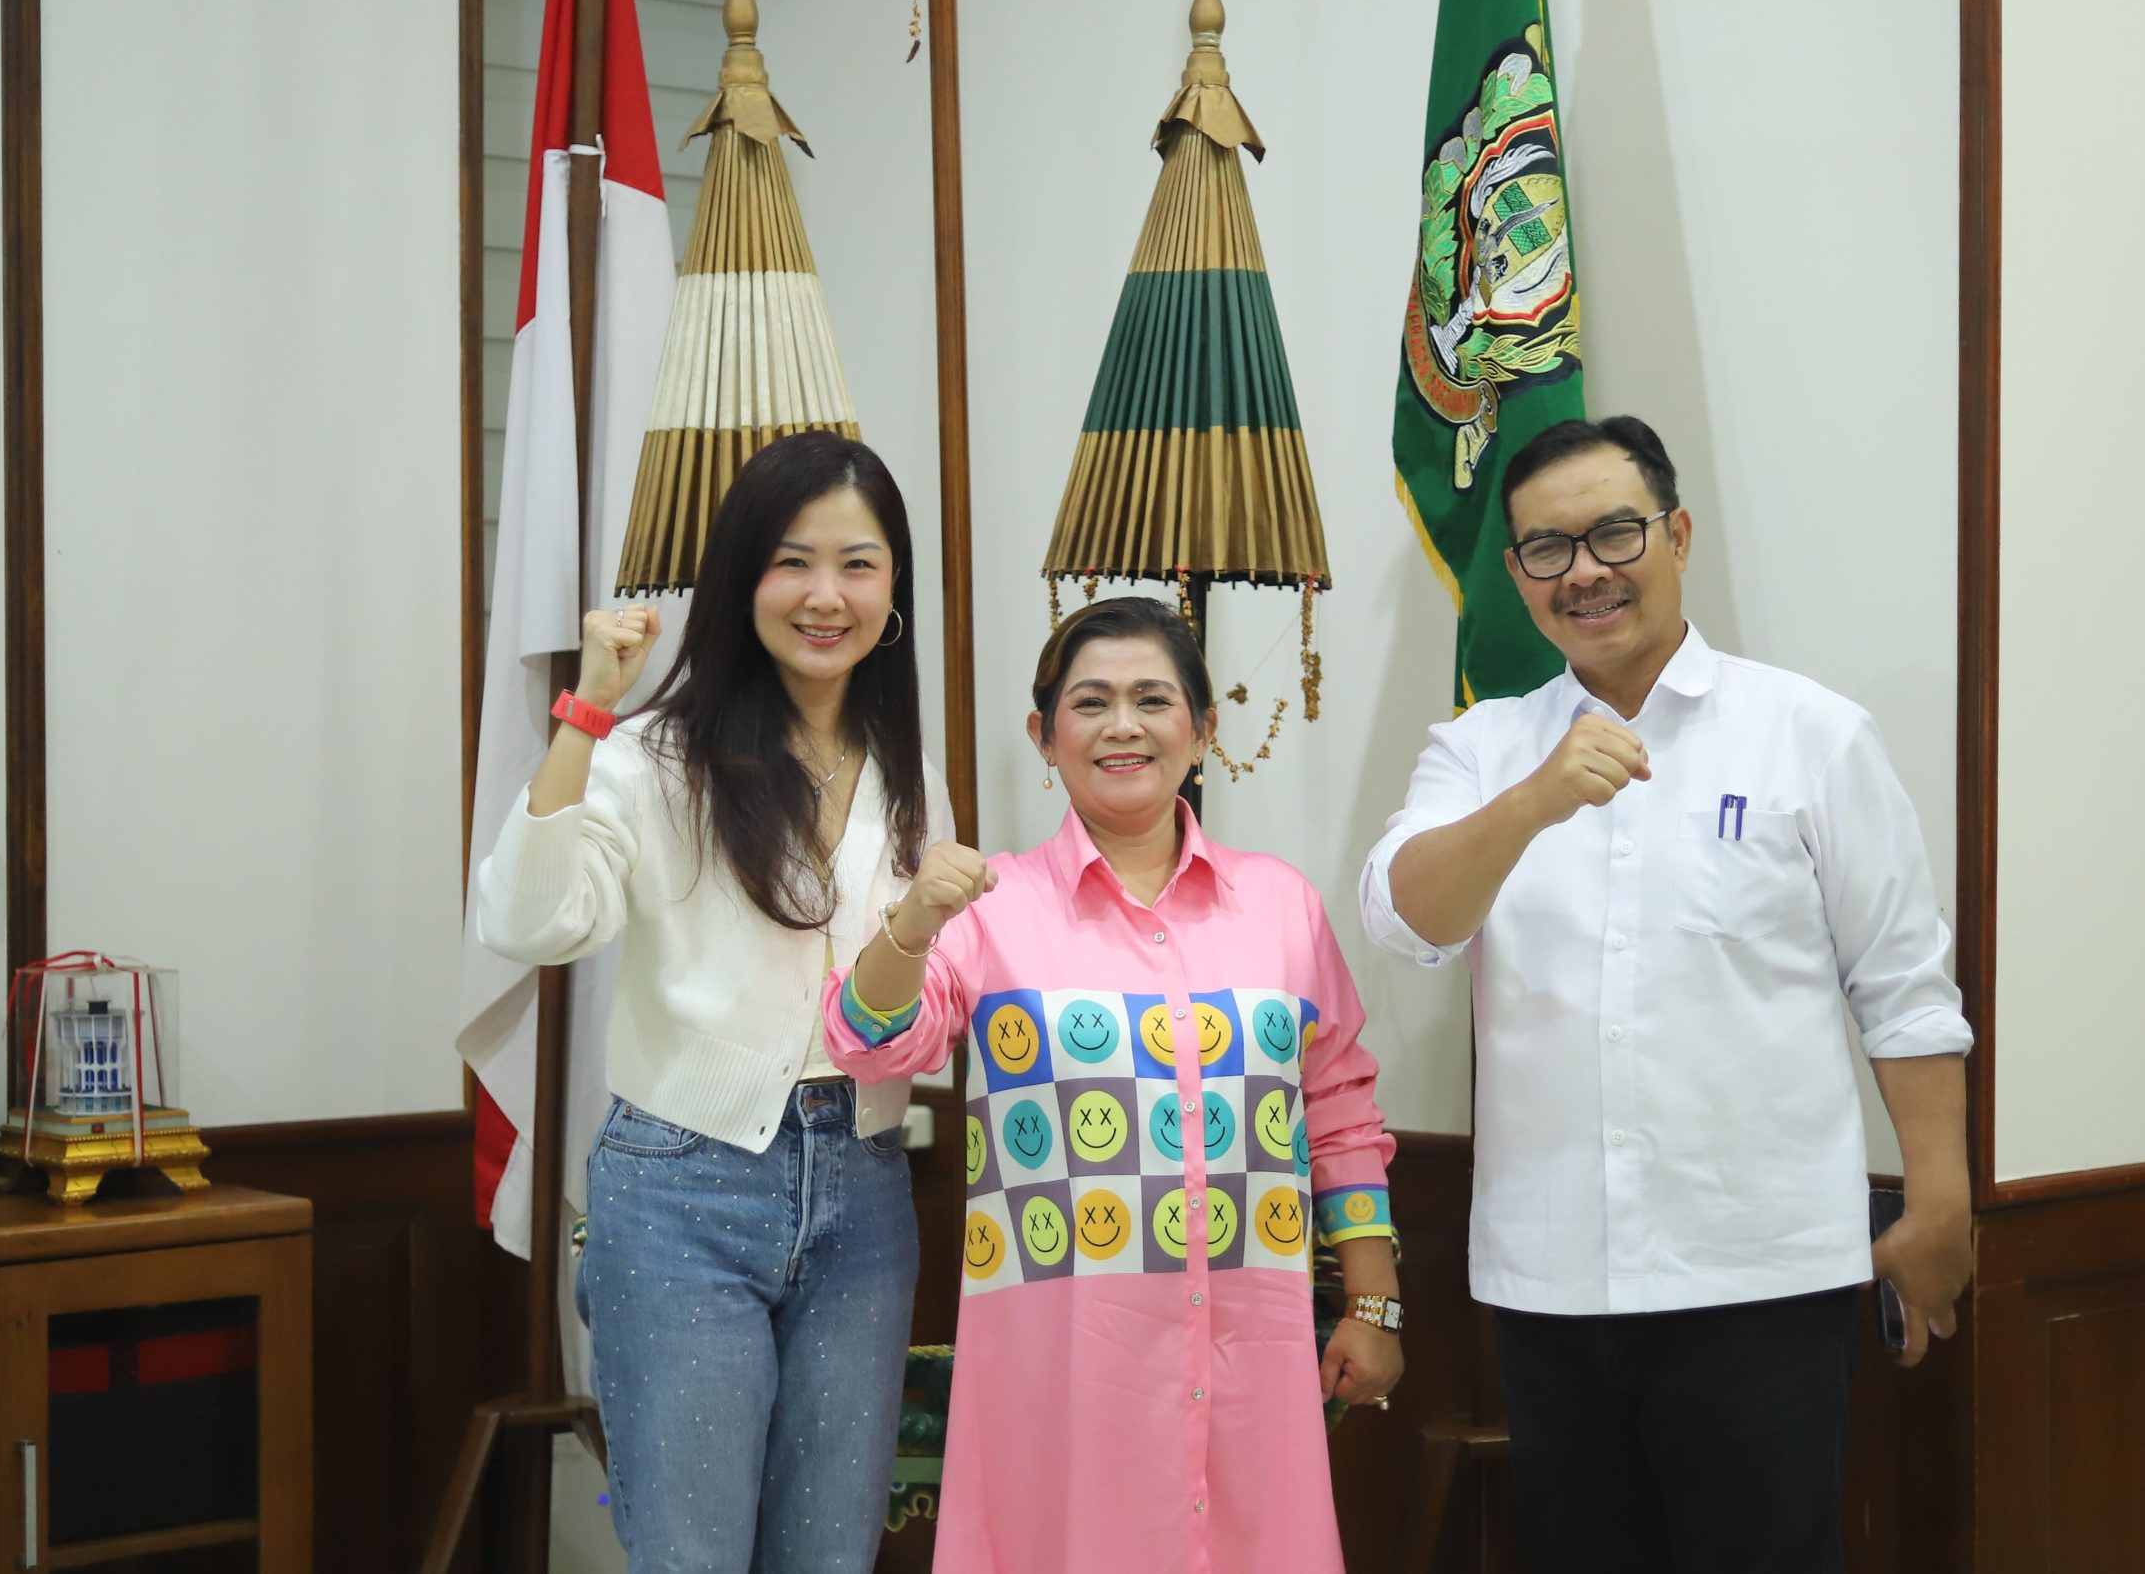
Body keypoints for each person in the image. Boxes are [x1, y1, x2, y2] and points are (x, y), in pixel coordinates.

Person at [1360, 415, 1972, 1573]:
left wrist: (1936, 1200)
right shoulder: (1480, 751)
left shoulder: (1810, 734)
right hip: (1553, 1286)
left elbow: (1899, 985)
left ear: (1677, 535)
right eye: (1547, 549)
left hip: (1763, 1276)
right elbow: (1405, 922)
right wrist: (1531, 802)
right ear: (1517, 578)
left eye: (1613, 533)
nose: (1583, 570)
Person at [825, 597, 1403, 1573]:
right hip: (1060, 1373)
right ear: (1043, 736)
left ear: (1203, 729)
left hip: (1249, 1351)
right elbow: (870, 1045)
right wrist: (913, 921)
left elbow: (1339, 1105)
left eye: (1152, 699)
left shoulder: (1280, 907)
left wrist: (1373, 1302)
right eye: (1089, 703)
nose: (1122, 725)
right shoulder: (990, 912)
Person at [475, 430, 939, 1573]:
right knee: (691, 1558)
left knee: (830, 1560)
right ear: (741, 582)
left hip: (869, 1191)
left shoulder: (904, 762)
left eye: (859, 564)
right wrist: (587, 709)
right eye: (791, 562)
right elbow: (527, 922)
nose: (825, 596)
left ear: (894, 591)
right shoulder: (654, 755)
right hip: (682, 1191)